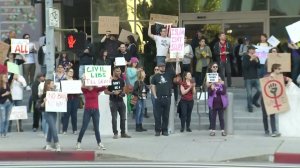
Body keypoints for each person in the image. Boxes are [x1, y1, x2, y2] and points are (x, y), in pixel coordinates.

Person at [76, 74, 107, 150]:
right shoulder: (85, 90)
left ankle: (99, 143)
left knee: (96, 128)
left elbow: (105, 86)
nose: (90, 85)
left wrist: (109, 79)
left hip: (96, 110)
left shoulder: (96, 89)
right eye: (88, 83)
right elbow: (82, 87)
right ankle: (78, 142)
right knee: (84, 127)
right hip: (87, 110)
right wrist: (85, 80)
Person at [261, 64, 291, 137]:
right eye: (279, 68)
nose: (280, 70)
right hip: (265, 98)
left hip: (273, 98)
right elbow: (263, 85)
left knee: (272, 114)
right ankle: (266, 130)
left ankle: (274, 131)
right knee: (265, 115)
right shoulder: (266, 77)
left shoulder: (280, 77)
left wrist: (287, 85)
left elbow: (289, 79)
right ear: (274, 69)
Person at [104, 67, 131, 139]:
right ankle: (115, 133)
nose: (119, 72)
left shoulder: (122, 80)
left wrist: (123, 93)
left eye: (119, 71)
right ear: (114, 72)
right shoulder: (110, 81)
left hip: (121, 101)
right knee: (114, 118)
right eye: (117, 71)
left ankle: (123, 133)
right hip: (113, 102)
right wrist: (113, 92)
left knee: (123, 118)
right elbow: (105, 91)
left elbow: (124, 89)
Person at [151, 62, 177, 136]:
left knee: (166, 115)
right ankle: (157, 130)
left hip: (167, 97)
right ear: (158, 67)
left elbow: (177, 72)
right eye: (161, 66)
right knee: (157, 115)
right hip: (159, 98)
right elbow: (153, 86)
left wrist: (177, 62)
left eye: (164, 66)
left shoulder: (168, 75)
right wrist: (155, 96)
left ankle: (164, 130)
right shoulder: (155, 77)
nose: (163, 68)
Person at [40, 79, 61, 151]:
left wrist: (64, 99)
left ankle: (48, 144)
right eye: (52, 83)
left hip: (54, 112)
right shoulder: (44, 94)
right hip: (47, 113)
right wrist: (44, 102)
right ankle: (57, 144)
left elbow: (60, 100)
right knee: (54, 128)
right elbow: (40, 106)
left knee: (51, 129)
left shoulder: (55, 93)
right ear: (48, 85)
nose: (53, 84)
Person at [243, 45, 261, 112]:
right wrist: (251, 59)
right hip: (248, 78)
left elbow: (259, 66)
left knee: (260, 90)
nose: (254, 50)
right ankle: (250, 106)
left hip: (256, 77)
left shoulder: (256, 56)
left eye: (254, 49)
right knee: (249, 94)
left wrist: (256, 60)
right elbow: (245, 66)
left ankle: (254, 101)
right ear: (249, 50)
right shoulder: (245, 57)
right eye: (253, 49)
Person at [62, 68, 80, 135]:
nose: (71, 73)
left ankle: (74, 129)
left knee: (74, 115)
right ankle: (64, 130)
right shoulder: (64, 80)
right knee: (66, 115)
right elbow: (62, 90)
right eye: (70, 71)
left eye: (72, 71)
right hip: (67, 99)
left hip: (75, 99)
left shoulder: (75, 80)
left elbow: (78, 89)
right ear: (67, 72)